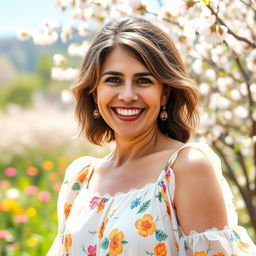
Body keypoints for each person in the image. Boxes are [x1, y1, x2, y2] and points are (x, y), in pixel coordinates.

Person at [47, 16, 256, 256]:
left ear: (164, 93)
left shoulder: (184, 169)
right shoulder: (80, 178)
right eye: (113, 80)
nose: (127, 95)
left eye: (143, 81)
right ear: (95, 93)